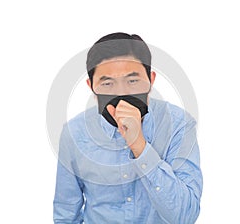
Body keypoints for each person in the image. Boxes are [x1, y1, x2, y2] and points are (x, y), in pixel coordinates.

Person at [53, 32, 203, 224]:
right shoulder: (74, 133)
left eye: (132, 81)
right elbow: (66, 214)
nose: (121, 93)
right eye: (107, 83)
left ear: (151, 80)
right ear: (92, 87)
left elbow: (185, 216)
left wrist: (139, 145)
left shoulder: (179, 125)